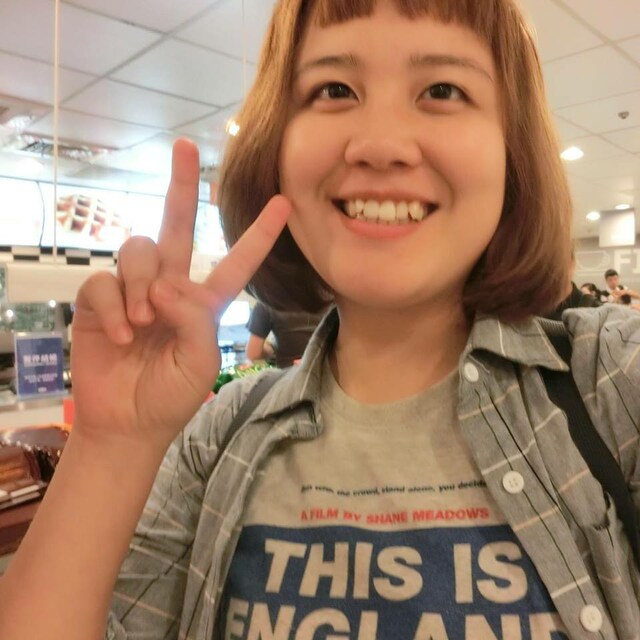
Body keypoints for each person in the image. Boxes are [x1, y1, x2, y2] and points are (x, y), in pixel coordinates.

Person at [0, 1, 638, 639]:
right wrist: (111, 446)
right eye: (334, 89)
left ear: (511, 148)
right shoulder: (216, 441)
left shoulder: (611, 382)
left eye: (443, 90)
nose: (380, 145)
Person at [245, 300, 327, 367]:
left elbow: (253, 354)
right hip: (327, 374)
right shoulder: (329, 296)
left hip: (289, 376)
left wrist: (271, 349)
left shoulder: (266, 301)